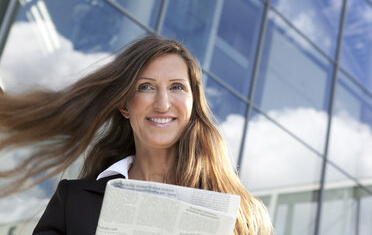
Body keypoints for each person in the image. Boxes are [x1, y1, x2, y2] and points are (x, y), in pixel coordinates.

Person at [0, 36, 273, 234]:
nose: (163, 103)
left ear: (192, 103)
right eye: (146, 87)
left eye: (177, 87)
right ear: (124, 105)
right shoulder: (74, 202)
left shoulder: (243, 216)